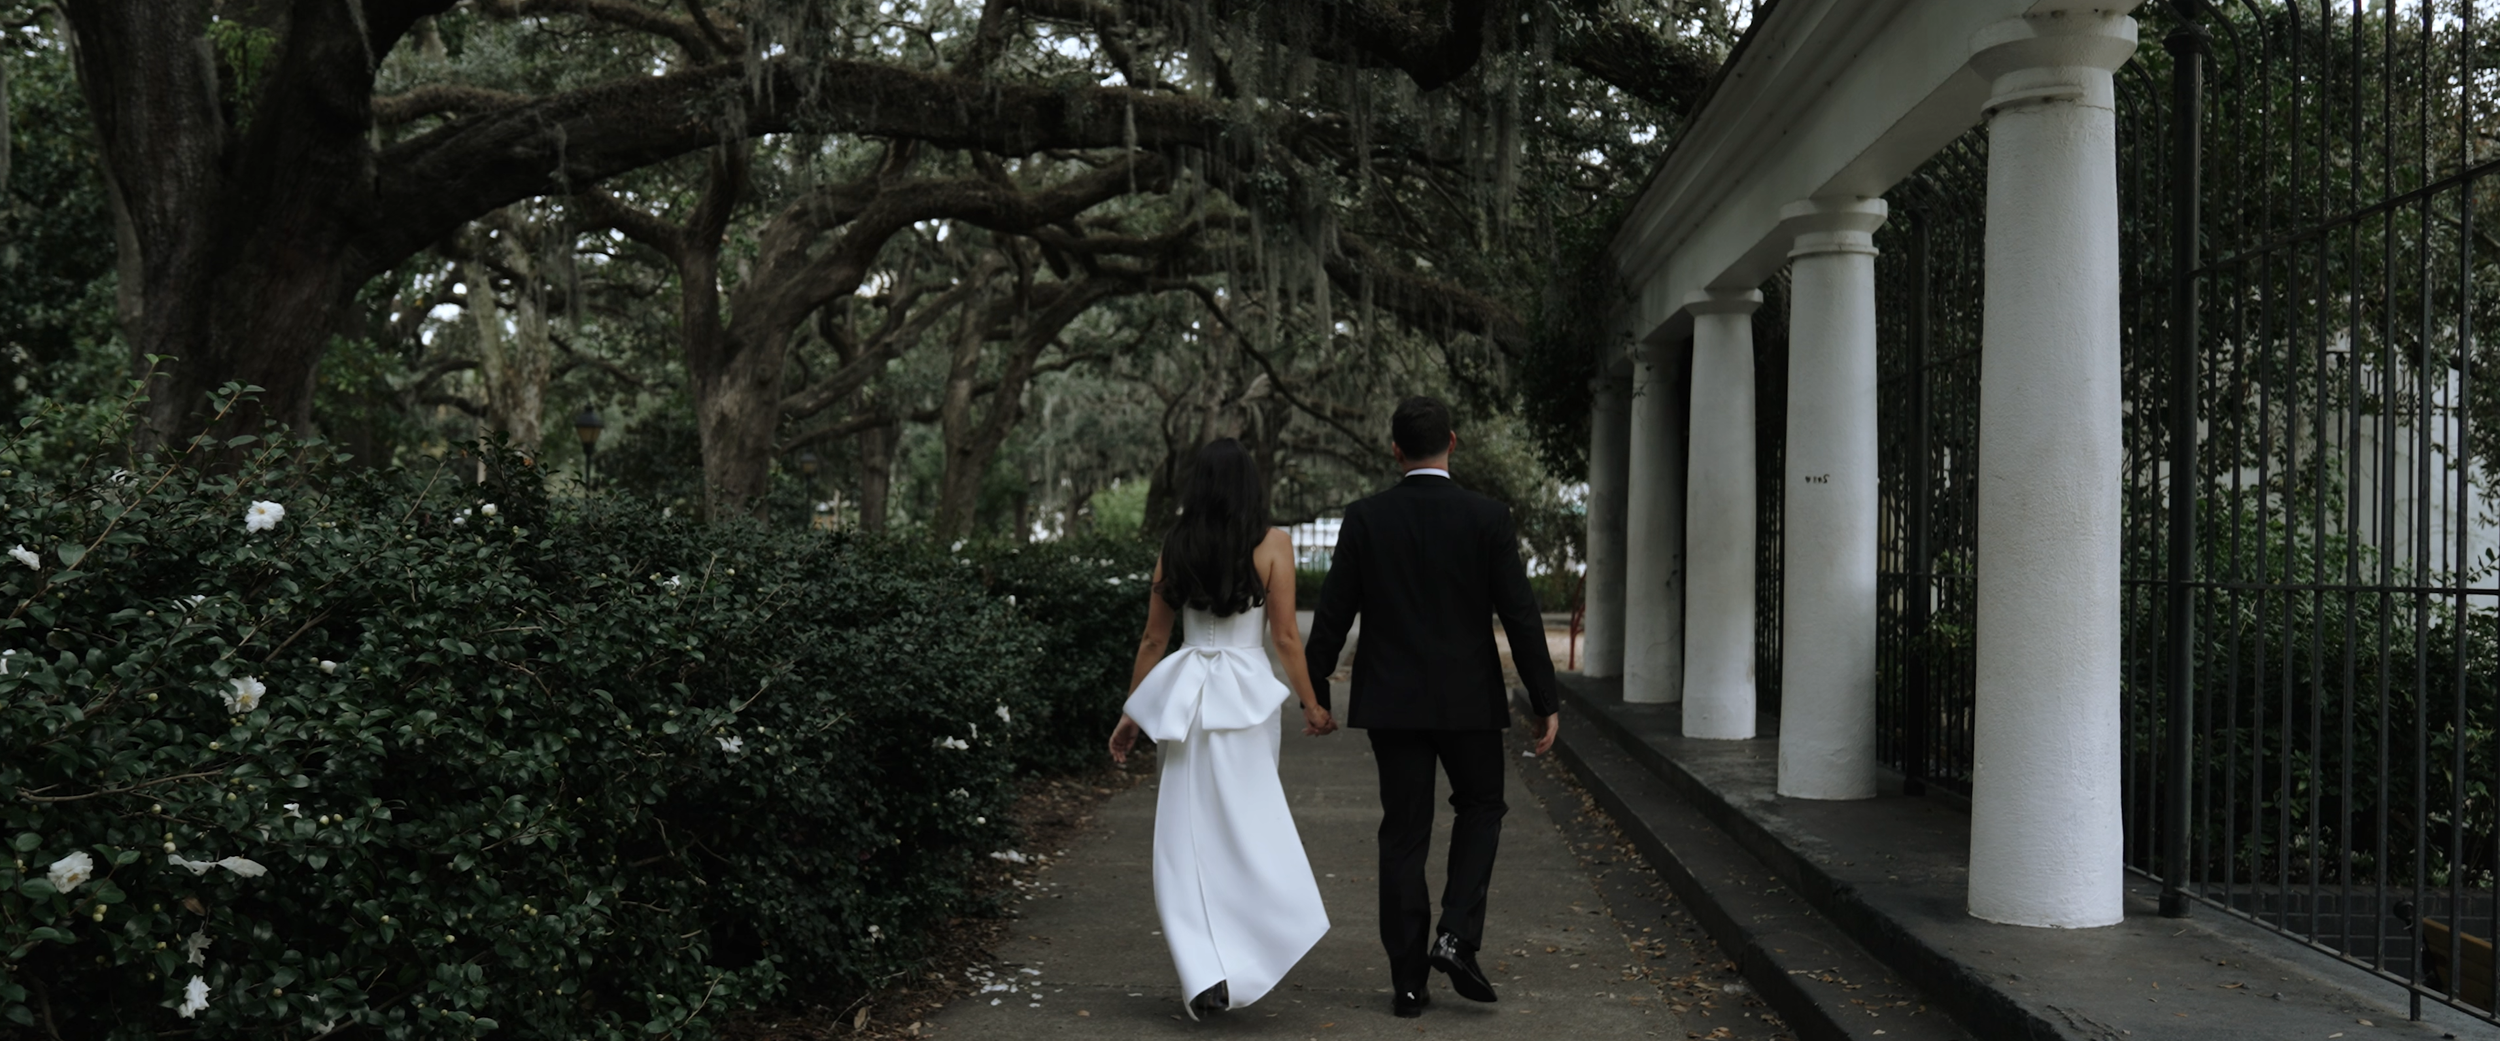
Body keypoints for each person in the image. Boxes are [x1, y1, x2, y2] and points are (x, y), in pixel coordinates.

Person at [1301, 395, 1562, 1019]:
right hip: (1469, 698)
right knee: (1481, 807)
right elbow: (1521, 616)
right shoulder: (1488, 517)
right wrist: (1544, 699)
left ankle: (1408, 984)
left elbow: (1334, 614)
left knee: (1404, 833)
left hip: (1392, 703)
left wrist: (1316, 693)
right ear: (1452, 439)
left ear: (1395, 448)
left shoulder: (1366, 518)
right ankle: (1456, 935)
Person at [1108, 437, 1336, 1021]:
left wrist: (1133, 712)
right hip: (1246, 699)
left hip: (1186, 699)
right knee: (1248, 825)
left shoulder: (1175, 544)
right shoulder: (1273, 543)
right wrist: (1311, 703)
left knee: (1187, 833)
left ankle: (1203, 968)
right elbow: (1284, 637)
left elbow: (1154, 640)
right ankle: (1245, 953)